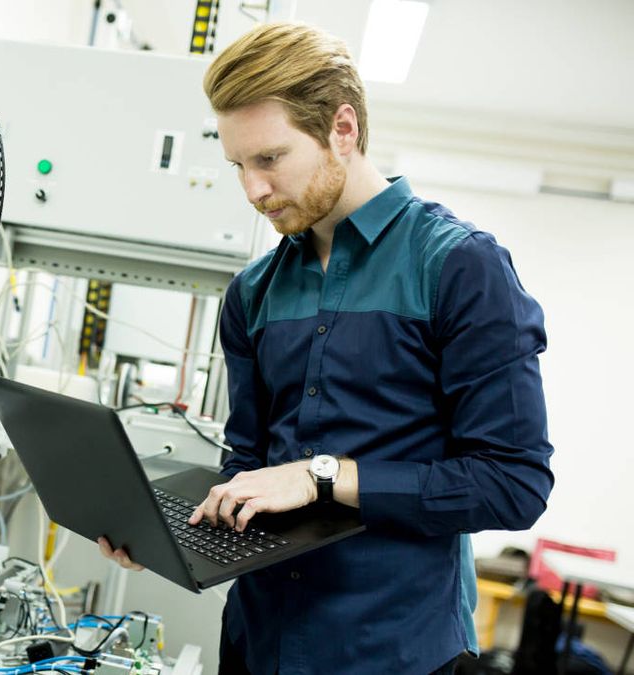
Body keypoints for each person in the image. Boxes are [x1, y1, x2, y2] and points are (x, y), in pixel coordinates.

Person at [97, 21, 554, 674]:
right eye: (238, 165)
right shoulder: (252, 293)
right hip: (257, 645)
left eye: (270, 159)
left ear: (343, 129)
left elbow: (513, 482)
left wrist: (321, 475)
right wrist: (168, 534)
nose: (252, 190)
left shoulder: (459, 268)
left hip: (393, 652)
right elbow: (249, 465)